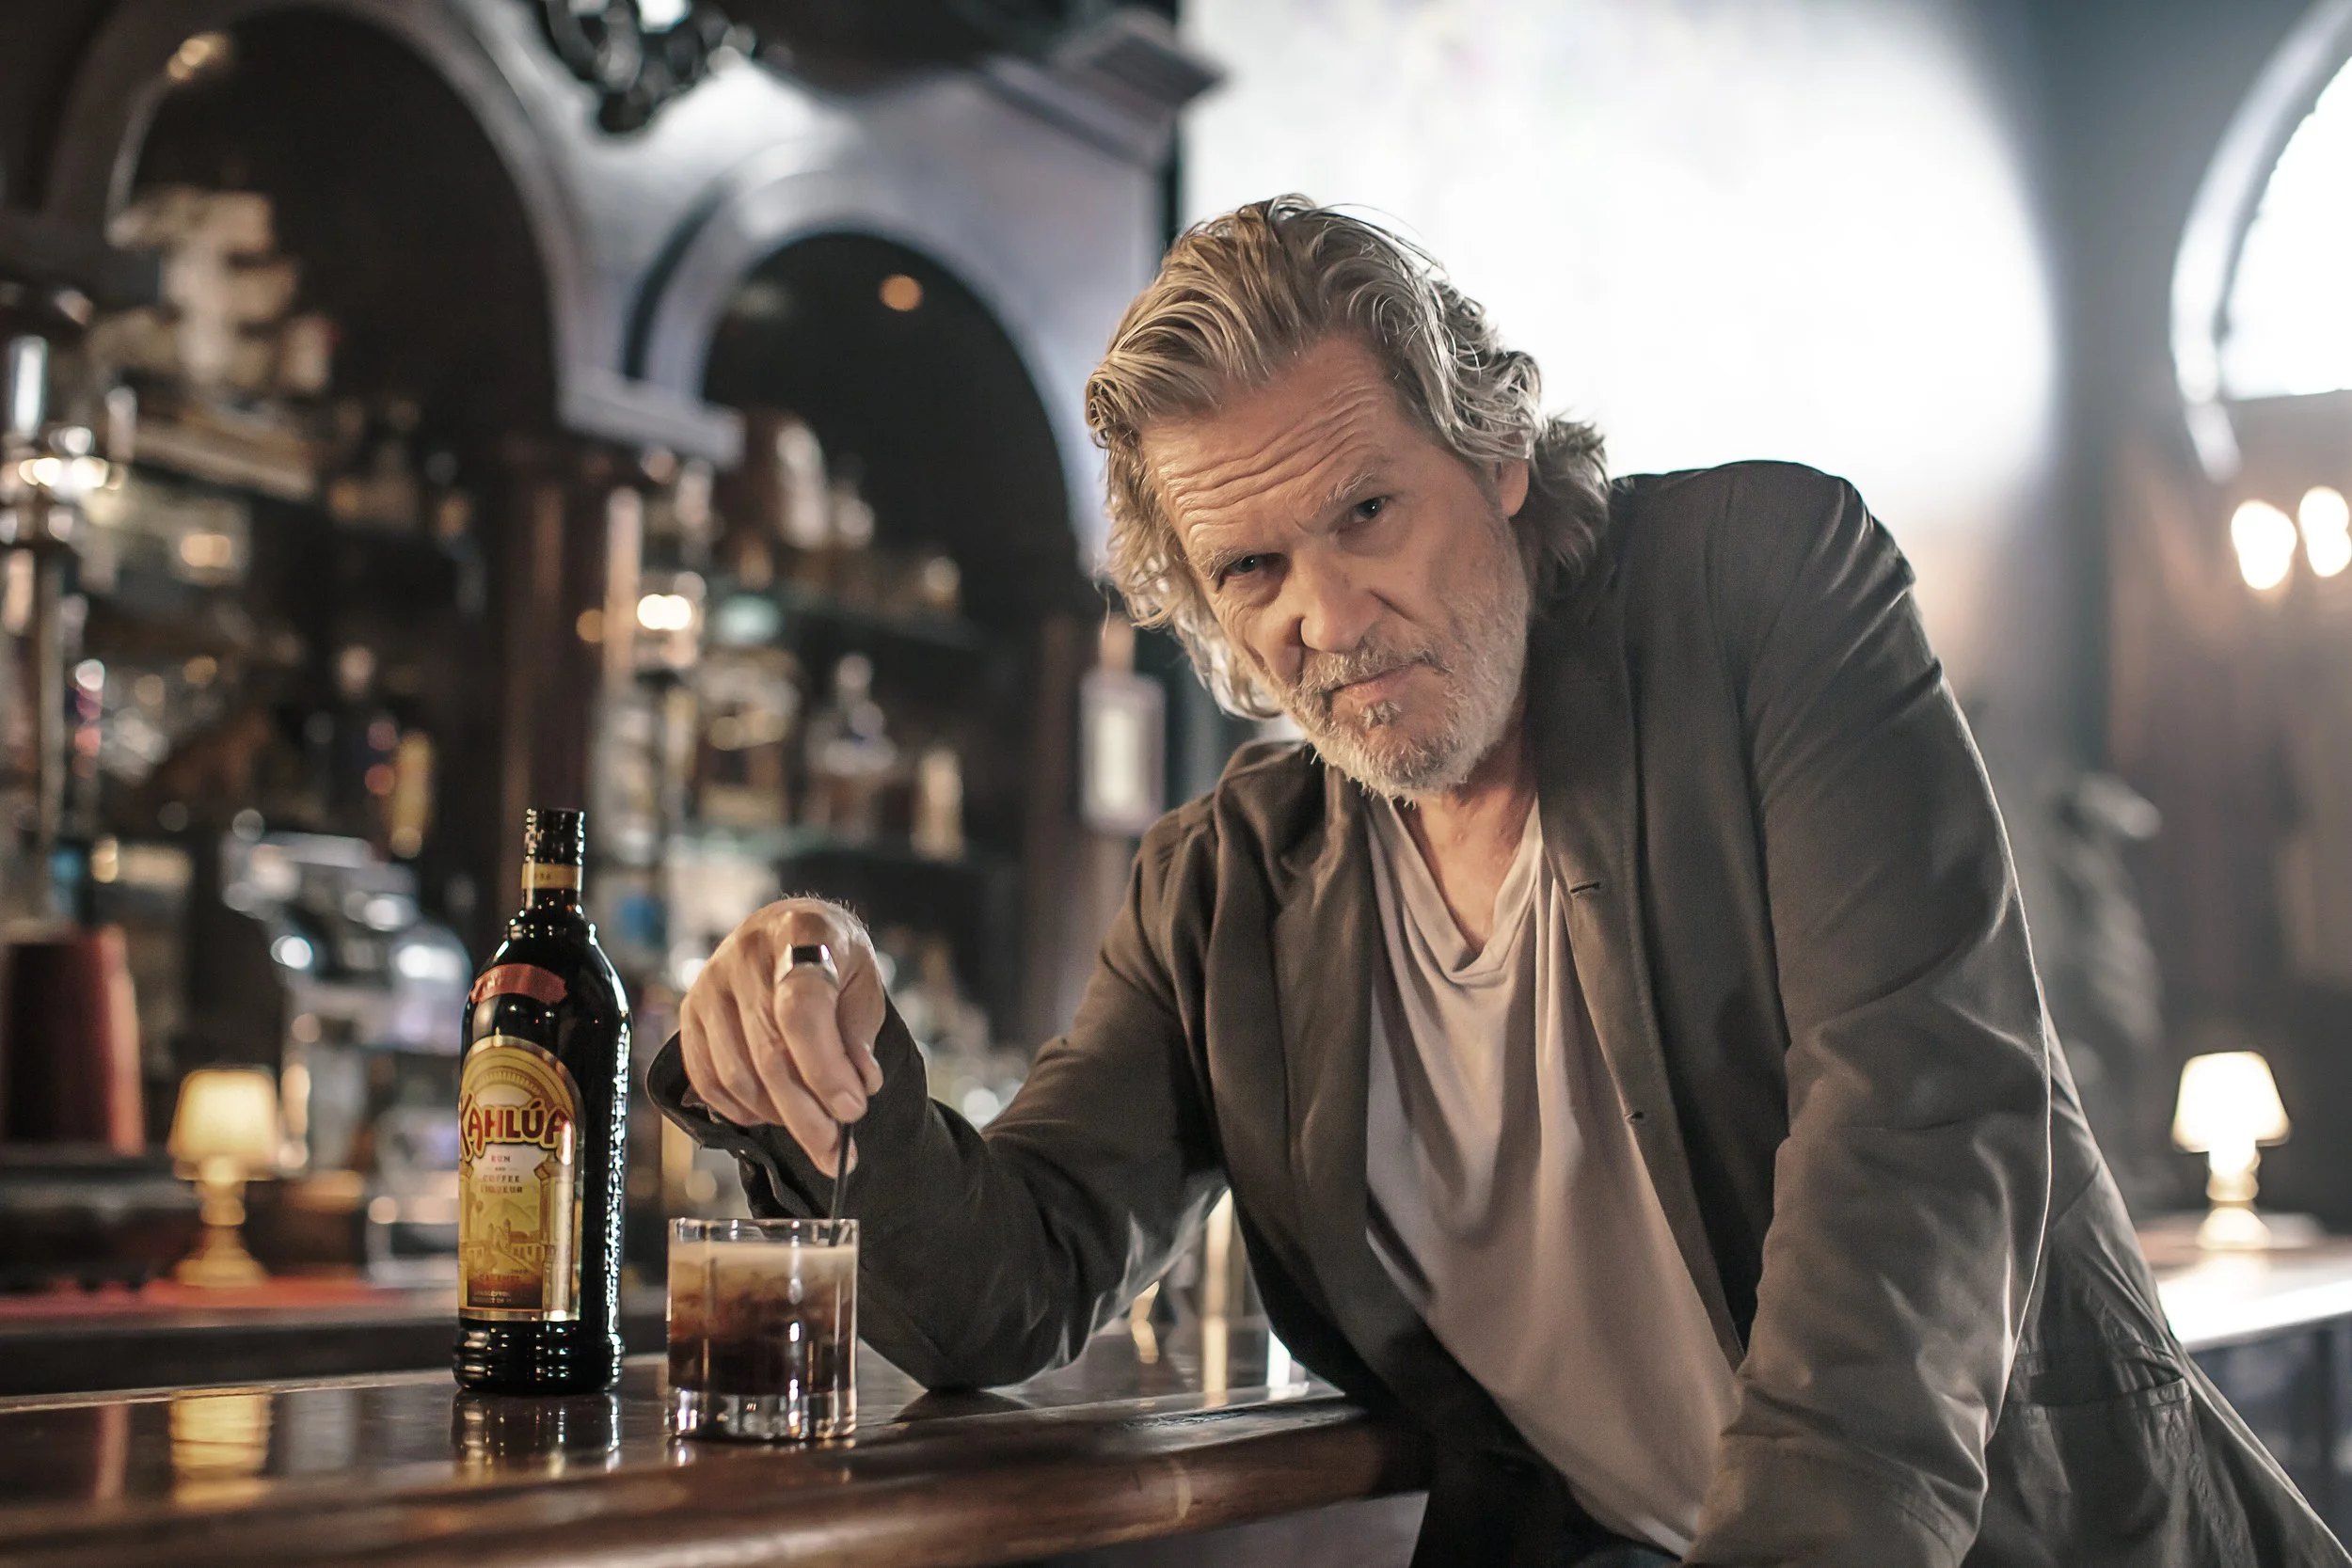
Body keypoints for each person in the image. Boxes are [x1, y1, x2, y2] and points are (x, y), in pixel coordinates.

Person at [649, 197, 2344, 1567]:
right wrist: (831, 1057)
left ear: (1502, 455)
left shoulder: (1765, 594)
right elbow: (1007, 1282)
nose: (1326, 611)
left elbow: (1917, 1123)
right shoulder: (1222, 887)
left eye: (1370, 509)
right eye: (1252, 566)